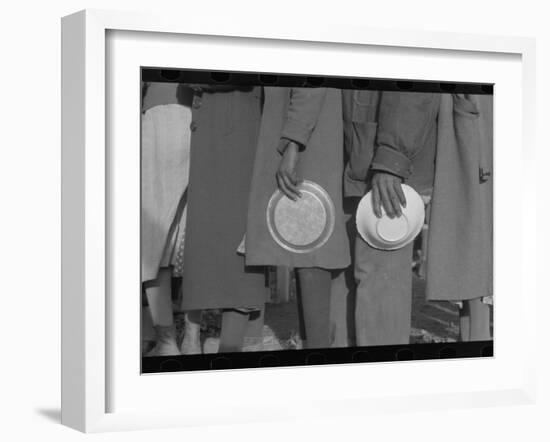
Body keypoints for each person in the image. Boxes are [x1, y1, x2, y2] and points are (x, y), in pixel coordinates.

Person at [348, 91, 492, 345]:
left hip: (403, 153)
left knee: (381, 270)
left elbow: (411, 87)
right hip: (397, 146)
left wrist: (392, 160)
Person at [245, 87, 350, 349]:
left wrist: (293, 142)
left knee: (312, 243)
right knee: (306, 244)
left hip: (304, 137)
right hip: (300, 131)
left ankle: (317, 349)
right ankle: (311, 345)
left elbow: (312, 84)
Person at [179, 85, 268, 353]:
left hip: (240, 116)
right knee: (202, 228)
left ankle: (233, 341)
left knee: (239, 236)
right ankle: (194, 333)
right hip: (208, 115)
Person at [141, 82, 196, 356]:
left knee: (154, 237)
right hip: (202, 115)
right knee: (191, 234)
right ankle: (193, 339)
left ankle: (167, 342)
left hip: (159, 114)